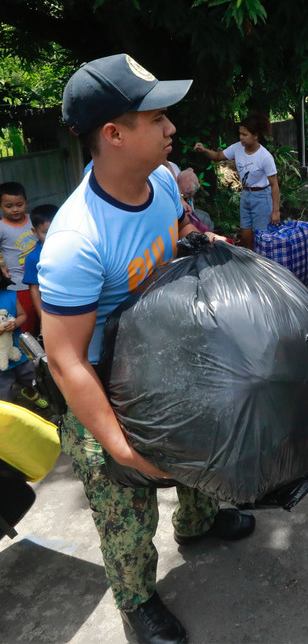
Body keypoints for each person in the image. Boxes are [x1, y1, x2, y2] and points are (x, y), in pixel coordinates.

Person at [40, 54, 256, 644]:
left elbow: (181, 227)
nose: (172, 129)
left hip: (172, 361)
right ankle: (137, 598)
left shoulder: (159, 182)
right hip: (106, 386)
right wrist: (119, 446)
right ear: (113, 134)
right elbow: (66, 359)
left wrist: (198, 238)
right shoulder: (76, 242)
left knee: (197, 458)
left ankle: (199, 522)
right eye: (157, 118)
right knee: (126, 512)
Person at [193, 114, 280, 248]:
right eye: (240, 134)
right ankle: (248, 266)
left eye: (245, 134)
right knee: (245, 237)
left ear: (255, 136)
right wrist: (204, 150)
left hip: (262, 198)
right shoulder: (237, 148)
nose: (241, 137)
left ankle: (262, 266)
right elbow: (218, 156)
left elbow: (274, 185)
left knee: (262, 239)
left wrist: (276, 211)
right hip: (245, 195)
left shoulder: (265, 157)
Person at [0, 181, 39, 334]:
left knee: (43, 318)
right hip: (19, 284)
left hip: (41, 280)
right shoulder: (1, 227)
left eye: (19, 204)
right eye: (9, 206)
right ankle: (28, 356)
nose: (15, 209)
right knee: (25, 323)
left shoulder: (34, 220)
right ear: (1, 206)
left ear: (26, 203)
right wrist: (1, 267)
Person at [0, 273, 38, 408]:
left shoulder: (10, 295)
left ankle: (31, 393)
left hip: (19, 352)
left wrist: (15, 324)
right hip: (1, 363)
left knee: (31, 378)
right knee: (4, 394)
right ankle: (10, 416)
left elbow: (23, 315)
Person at [21, 203, 58, 336]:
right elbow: (34, 289)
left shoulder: (72, 249)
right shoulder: (33, 258)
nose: (51, 236)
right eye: (45, 232)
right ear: (35, 232)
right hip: (52, 309)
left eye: (56, 230)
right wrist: (42, 317)